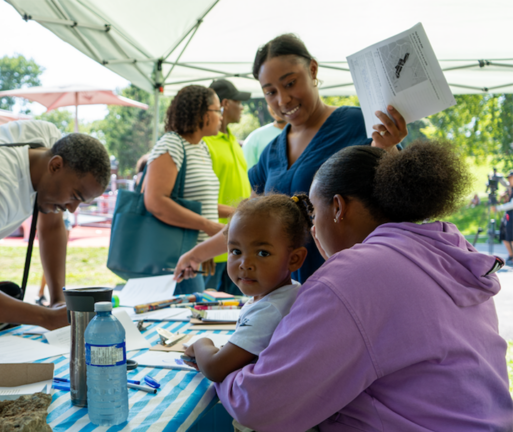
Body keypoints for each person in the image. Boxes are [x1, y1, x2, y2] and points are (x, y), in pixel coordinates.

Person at [215, 141, 513, 431]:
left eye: (314, 215)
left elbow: (259, 405)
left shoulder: (351, 276)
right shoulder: (452, 252)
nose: (314, 231)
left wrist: (219, 366)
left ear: (338, 208)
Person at [174, 33, 407, 284]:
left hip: (353, 285)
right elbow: (249, 225)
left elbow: (402, 200)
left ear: (313, 70)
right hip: (291, 296)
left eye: (290, 83)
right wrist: (196, 254)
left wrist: (389, 149)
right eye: (270, 92)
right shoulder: (271, 153)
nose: (282, 100)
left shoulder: (359, 125)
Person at [0, 121, 110, 330]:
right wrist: (46, 318)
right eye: (75, 196)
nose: (72, 209)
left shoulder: (49, 143)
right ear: (55, 165)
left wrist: (58, 301)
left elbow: (51, 228)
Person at [183, 194, 311, 387]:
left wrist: (202, 343)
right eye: (236, 251)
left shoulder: (270, 310)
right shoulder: (289, 292)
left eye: (262, 253)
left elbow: (215, 368)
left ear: (294, 259)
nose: (245, 264)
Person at [144, 85, 227, 294]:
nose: (221, 117)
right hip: (174, 258)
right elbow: (155, 200)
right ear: (202, 113)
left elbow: (197, 201)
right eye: (218, 110)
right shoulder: (172, 144)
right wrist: (207, 226)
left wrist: (236, 213)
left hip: (193, 256)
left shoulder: (201, 147)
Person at [201, 79, 253, 295]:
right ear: (224, 103)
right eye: (238, 101)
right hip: (213, 250)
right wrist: (205, 248)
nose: (242, 106)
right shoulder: (204, 142)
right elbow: (198, 199)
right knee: (204, 314)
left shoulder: (234, 141)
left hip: (239, 246)